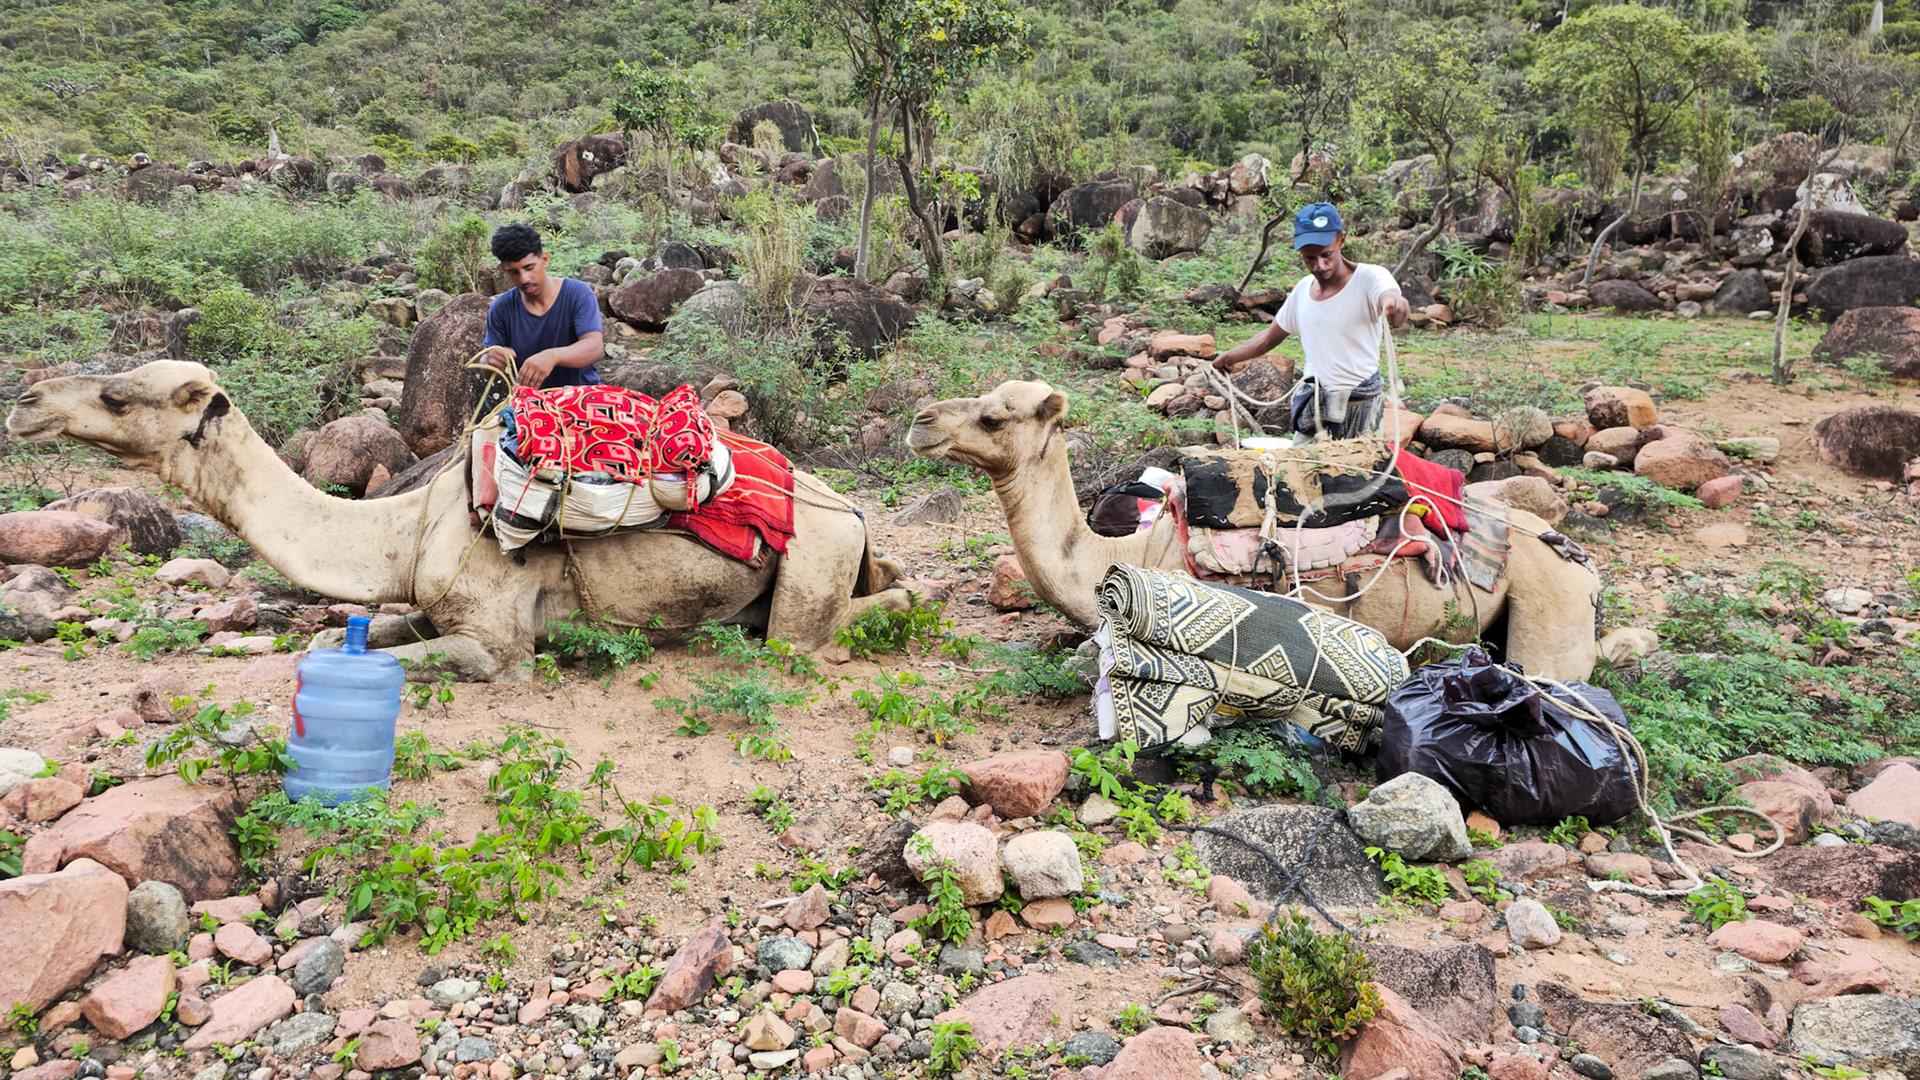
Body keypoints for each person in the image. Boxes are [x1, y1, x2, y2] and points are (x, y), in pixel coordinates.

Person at [1212, 203, 1410, 440]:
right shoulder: (1303, 290)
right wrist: (1229, 357)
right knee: (1301, 463)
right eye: (1309, 258)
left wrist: (1395, 305)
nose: (1319, 265)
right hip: (1315, 403)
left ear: (1341, 240)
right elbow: (1267, 339)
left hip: (1360, 404)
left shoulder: (1370, 277)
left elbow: (1389, 296)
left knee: (1360, 463)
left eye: (1326, 255)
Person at [481, 224, 606, 389]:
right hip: (530, 400)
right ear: (503, 269)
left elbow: (595, 347)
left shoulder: (577, 293)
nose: (524, 278)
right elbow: (490, 372)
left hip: (581, 395)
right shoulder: (501, 308)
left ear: (544, 259)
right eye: (514, 272)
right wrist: (489, 361)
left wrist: (552, 356)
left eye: (529, 268)